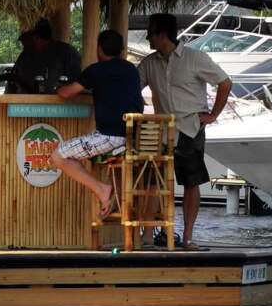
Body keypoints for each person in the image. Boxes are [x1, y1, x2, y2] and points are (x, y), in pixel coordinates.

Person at [138, 12, 232, 250]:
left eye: (150, 34)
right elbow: (132, 87)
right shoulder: (148, 63)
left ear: (162, 35)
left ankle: (188, 237)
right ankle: (148, 236)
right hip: (162, 130)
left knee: (191, 182)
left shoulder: (194, 58)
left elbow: (225, 82)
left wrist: (214, 115)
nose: (148, 39)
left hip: (190, 128)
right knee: (153, 183)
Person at [48, 29, 144, 216]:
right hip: (134, 138)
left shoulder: (96, 71)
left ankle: (102, 189)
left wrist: (58, 87)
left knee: (58, 156)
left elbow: (66, 93)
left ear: (99, 49)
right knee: (68, 153)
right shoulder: (130, 69)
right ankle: (105, 191)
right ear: (121, 50)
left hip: (110, 137)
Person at [7, 17, 82, 93]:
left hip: (57, 102)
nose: (23, 44)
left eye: (25, 39)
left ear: (36, 38)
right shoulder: (24, 56)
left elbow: (79, 82)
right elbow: (12, 81)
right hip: (25, 102)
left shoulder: (67, 53)